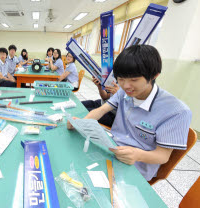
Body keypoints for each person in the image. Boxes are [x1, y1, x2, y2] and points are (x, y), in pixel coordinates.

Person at [67, 45, 192, 181]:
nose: (126, 86)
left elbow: (163, 156)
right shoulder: (124, 91)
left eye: (134, 80)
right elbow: (102, 110)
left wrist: (137, 154)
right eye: (121, 79)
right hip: (112, 150)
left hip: (136, 166)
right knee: (71, 163)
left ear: (154, 75)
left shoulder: (176, 111)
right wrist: (81, 122)